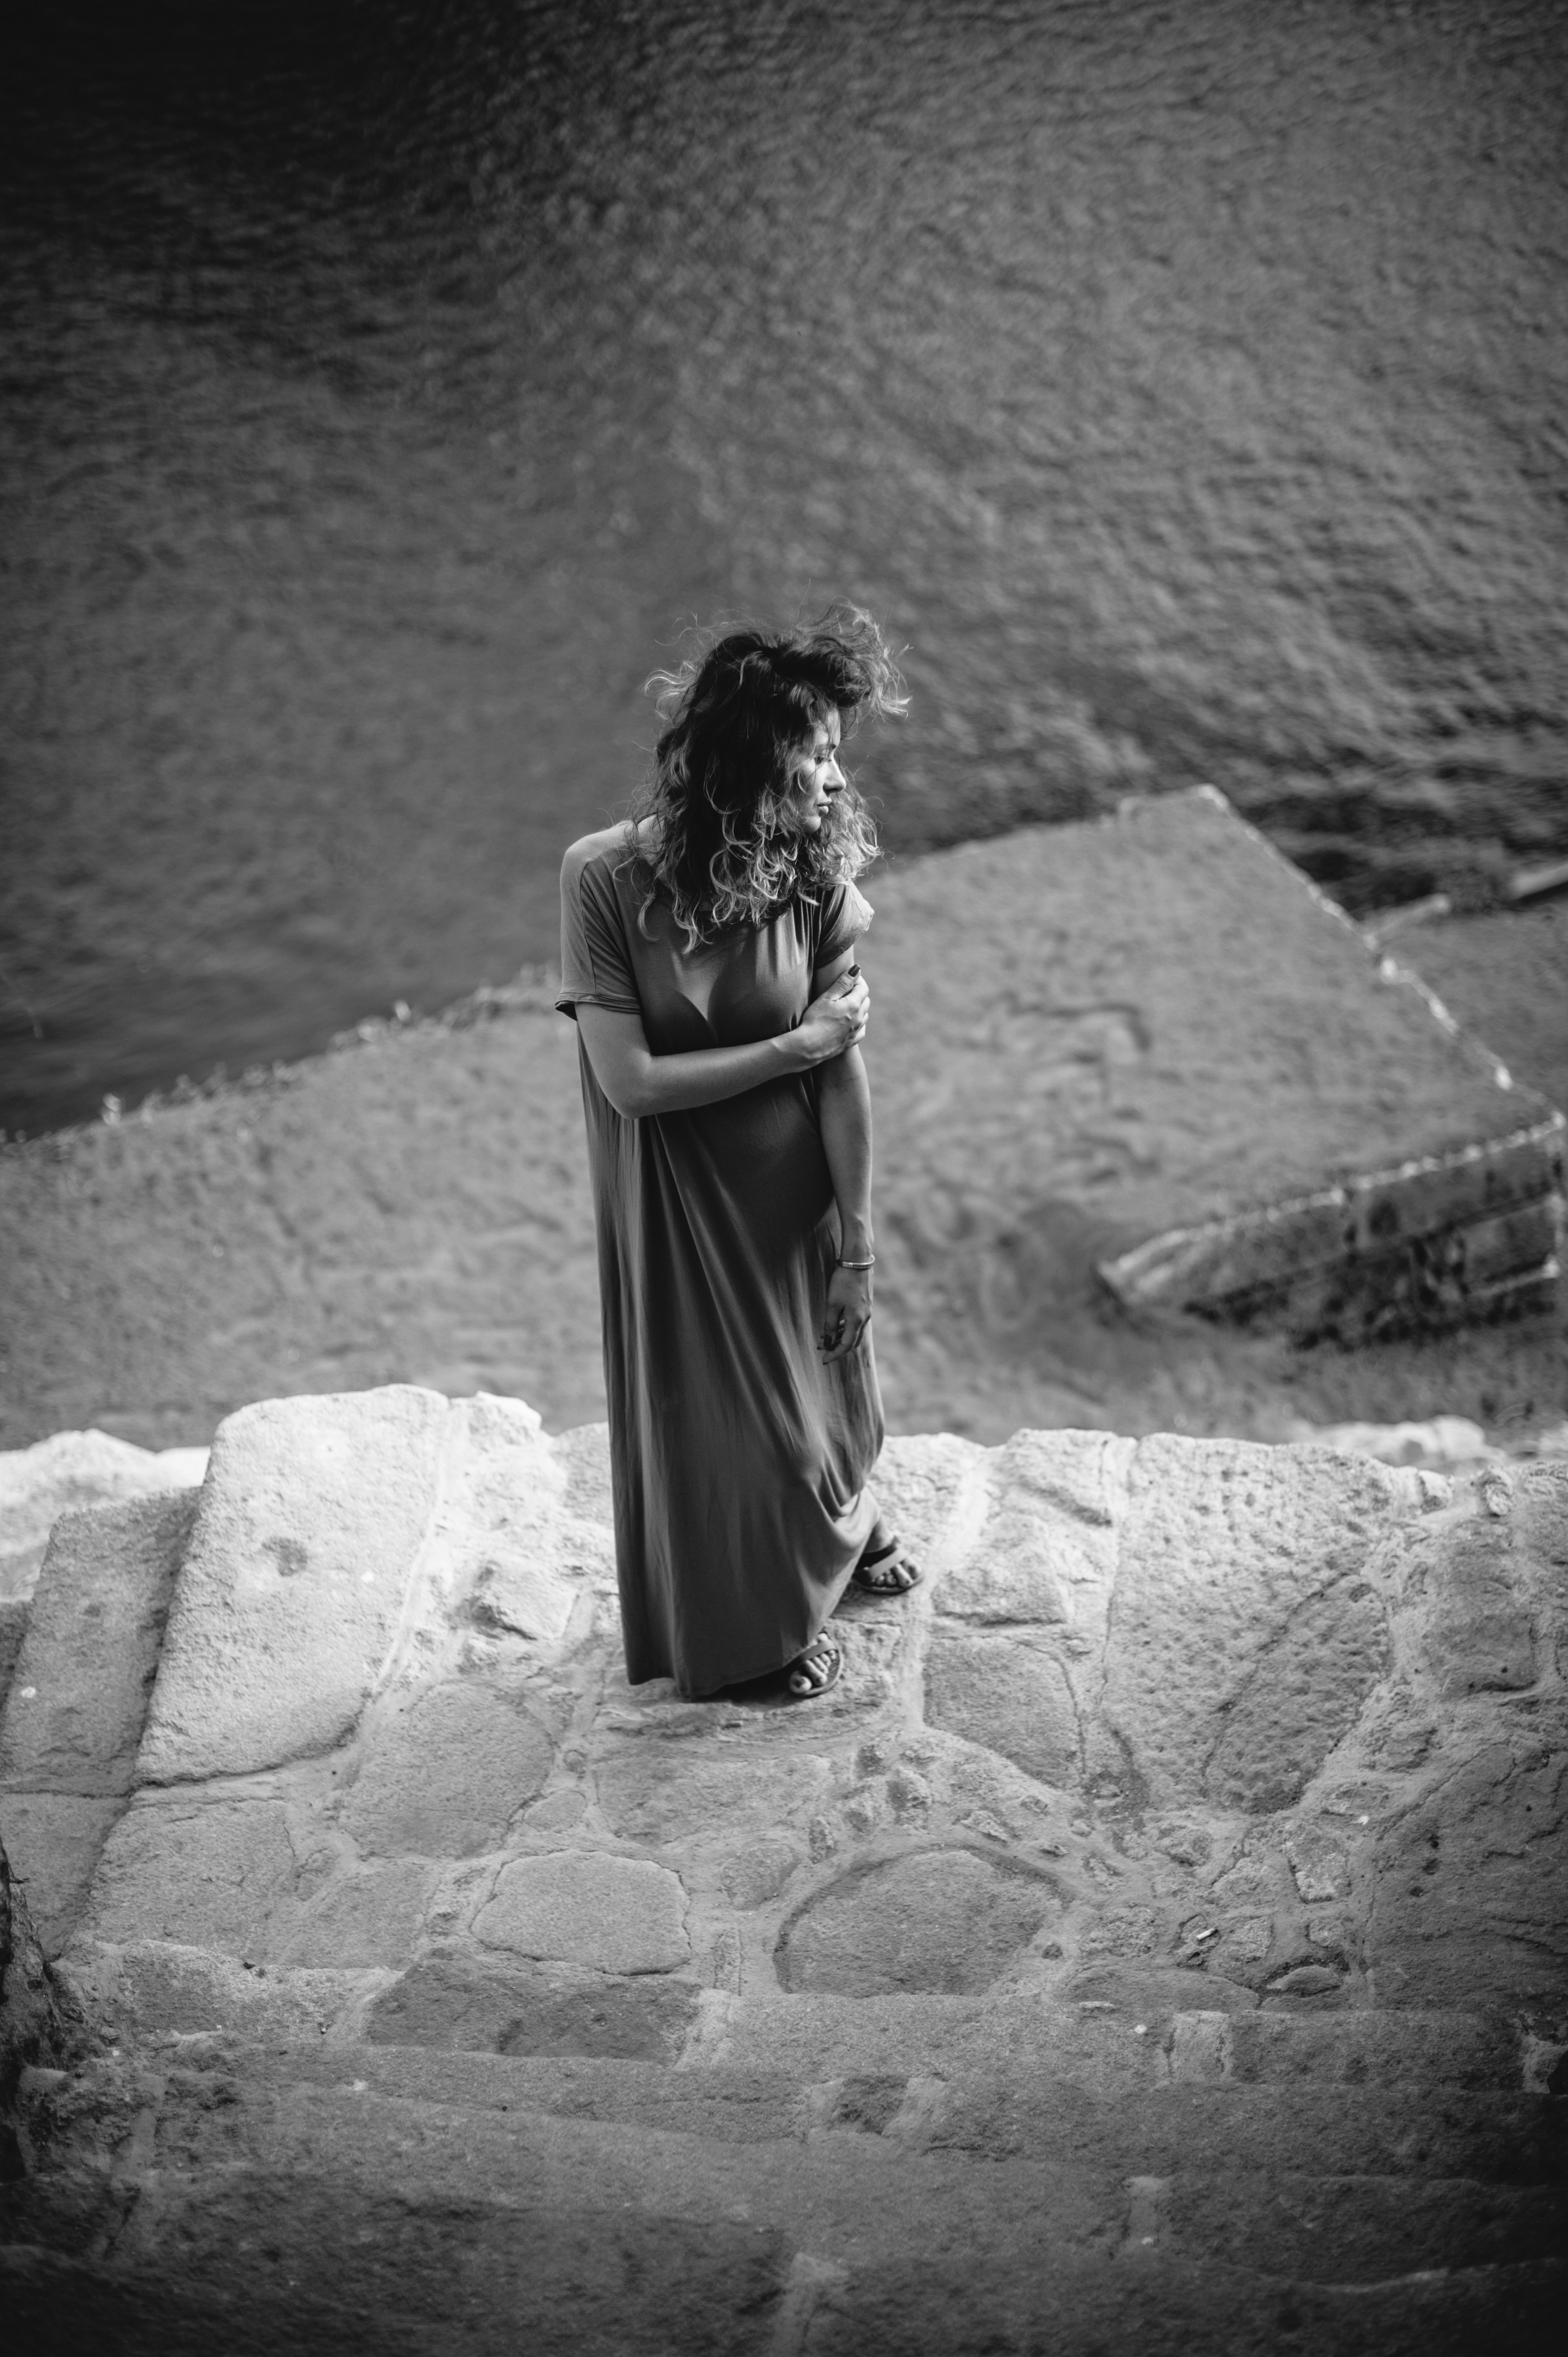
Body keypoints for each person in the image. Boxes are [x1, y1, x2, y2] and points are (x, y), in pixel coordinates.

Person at [556, 608, 920, 1701]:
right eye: (813, 755)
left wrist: (857, 1242)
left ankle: (844, 1532)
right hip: (680, 1207)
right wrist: (794, 1043)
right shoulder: (603, 884)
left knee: (826, 1392)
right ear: (747, 766)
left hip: (794, 1197)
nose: (831, 778)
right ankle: (746, 1635)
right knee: (729, 1425)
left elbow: (843, 1078)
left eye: (834, 755)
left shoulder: (816, 876)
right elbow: (633, 1086)